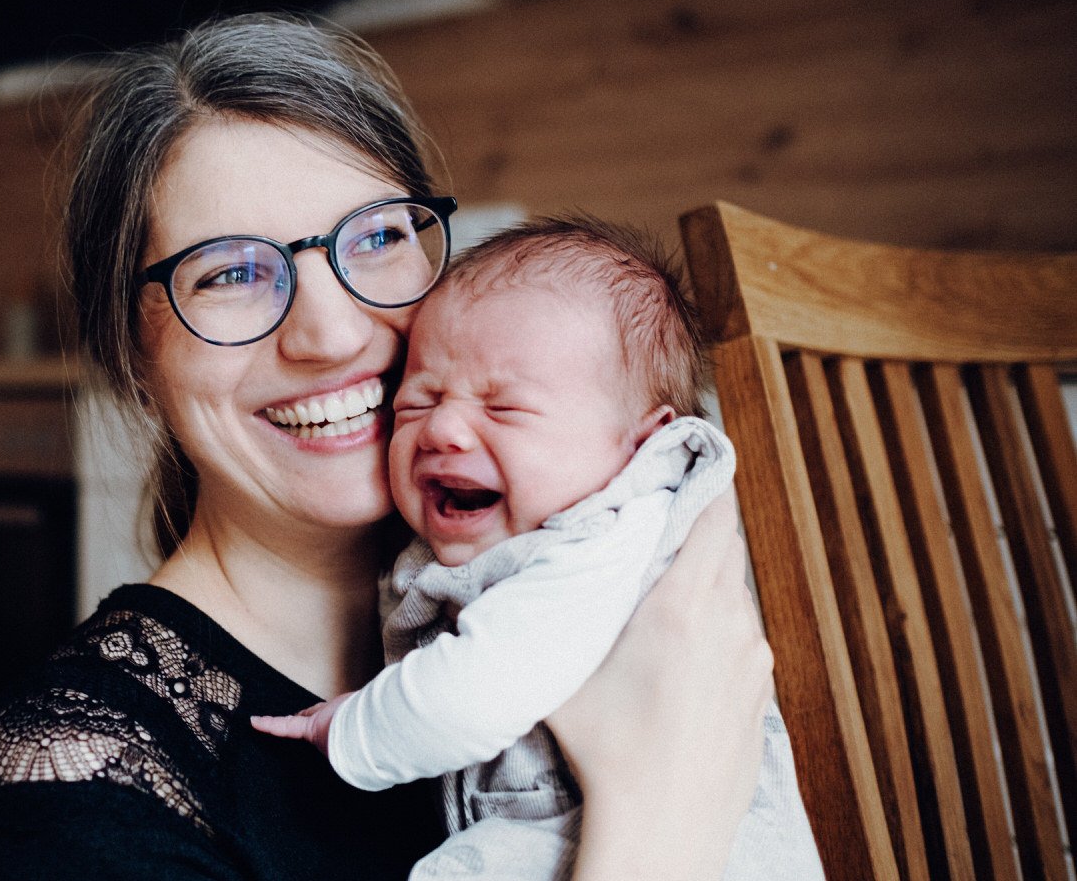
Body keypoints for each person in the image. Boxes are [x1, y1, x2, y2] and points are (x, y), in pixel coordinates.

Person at [0, 13, 774, 881]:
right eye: (231, 273)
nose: (331, 333)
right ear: (132, 354)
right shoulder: (73, 781)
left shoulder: (645, 556)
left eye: (377, 237)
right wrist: (659, 808)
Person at [253, 215, 824, 881]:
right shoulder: (538, 518)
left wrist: (351, 731)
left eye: (505, 409)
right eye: (416, 401)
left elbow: (479, 694)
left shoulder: (601, 539)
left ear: (639, 445)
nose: (442, 429)